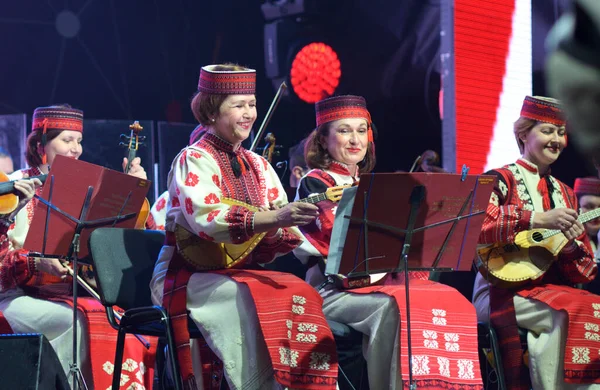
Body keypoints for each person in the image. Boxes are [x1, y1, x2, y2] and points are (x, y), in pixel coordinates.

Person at [149, 64, 339, 390]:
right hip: (187, 274)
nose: (249, 113)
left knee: (299, 291)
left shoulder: (259, 165)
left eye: (252, 104)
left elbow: (281, 226)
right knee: (255, 300)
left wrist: (289, 221)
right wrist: (274, 219)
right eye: (238, 105)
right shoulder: (193, 159)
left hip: (235, 272)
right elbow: (207, 220)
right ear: (211, 110)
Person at [294, 95, 484, 389]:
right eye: (344, 130)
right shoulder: (316, 182)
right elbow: (338, 240)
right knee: (394, 308)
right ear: (323, 138)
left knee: (453, 300)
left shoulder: (372, 184)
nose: (355, 139)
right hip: (333, 290)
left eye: (361, 130)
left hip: (384, 284)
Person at [0, 105, 155, 389]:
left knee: (123, 322)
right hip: (17, 294)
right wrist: (37, 263)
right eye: (66, 140)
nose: (76, 149)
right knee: (77, 321)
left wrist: (135, 191)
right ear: (40, 144)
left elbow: (136, 238)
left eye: (79, 141)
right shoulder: (14, 186)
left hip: (72, 293)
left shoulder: (87, 188)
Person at [472, 96, 600, 390]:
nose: (557, 140)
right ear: (523, 134)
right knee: (564, 312)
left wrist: (568, 246)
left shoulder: (566, 194)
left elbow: (586, 271)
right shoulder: (499, 179)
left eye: (561, 132)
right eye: (547, 131)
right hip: (499, 291)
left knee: (592, 306)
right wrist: (537, 219)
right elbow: (477, 226)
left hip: (552, 292)